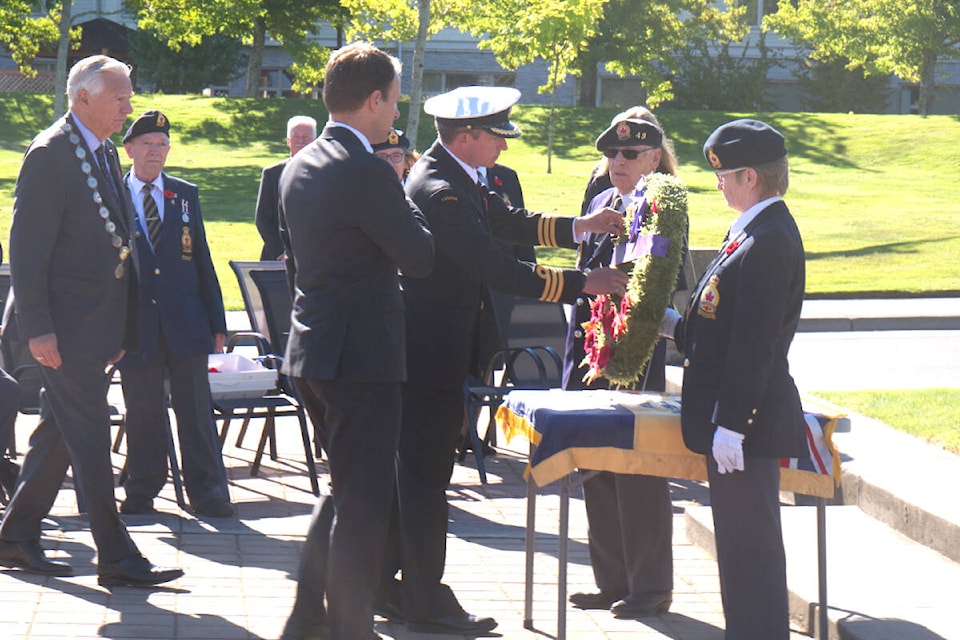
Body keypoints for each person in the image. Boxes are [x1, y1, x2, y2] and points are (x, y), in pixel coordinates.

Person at [389, 85, 629, 635]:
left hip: (443, 349)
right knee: (425, 479)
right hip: (429, 354)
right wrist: (579, 282)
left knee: (420, 475)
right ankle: (423, 597)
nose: (503, 146)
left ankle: (392, 582)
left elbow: (509, 220)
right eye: (497, 137)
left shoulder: (458, 175)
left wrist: (580, 227)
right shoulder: (439, 187)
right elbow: (493, 264)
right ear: (467, 136)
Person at [0, 54, 183, 587]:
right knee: (90, 431)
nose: (129, 107)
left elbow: (116, 242)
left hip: (92, 326)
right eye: (120, 98)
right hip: (60, 328)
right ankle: (115, 553)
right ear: (83, 97)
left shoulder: (97, 148)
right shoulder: (52, 152)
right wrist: (38, 327)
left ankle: (15, 534)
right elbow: (27, 250)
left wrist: (120, 329)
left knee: (61, 431)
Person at [277, 42, 434, 640]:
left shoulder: (302, 161)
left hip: (314, 348)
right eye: (394, 103)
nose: (396, 116)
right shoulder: (367, 167)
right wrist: (399, 187)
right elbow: (418, 257)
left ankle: (305, 622)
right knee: (365, 503)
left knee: (346, 490)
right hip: (362, 355)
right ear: (373, 100)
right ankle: (348, 628)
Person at [660, 119, 808, 639]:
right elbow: (724, 327)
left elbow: (756, 344)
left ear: (752, 177)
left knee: (752, 552)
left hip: (747, 420)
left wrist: (732, 424)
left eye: (724, 174)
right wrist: (677, 328)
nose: (718, 182)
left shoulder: (768, 238)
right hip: (734, 415)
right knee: (740, 550)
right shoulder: (749, 229)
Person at [563, 110, 679, 618]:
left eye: (630, 153)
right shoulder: (601, 203)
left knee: (638, 472)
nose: (618, 161)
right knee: (596, 468)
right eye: (611, 153)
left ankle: (650, 586)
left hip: (636, 358)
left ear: (654, 158)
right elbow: (582, 280)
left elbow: (658, 286)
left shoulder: (662, 208)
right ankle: (612, 581)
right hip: (589, 356)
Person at [117, 109, 233, 518]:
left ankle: (208, 491)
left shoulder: (184, 194)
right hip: (135, 326)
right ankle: (142, 489)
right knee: (143, 410)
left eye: (163, 146)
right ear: (129, 149)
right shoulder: (112, 193)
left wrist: (217, 322)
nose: (156, 152)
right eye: (148, 144)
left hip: (186, 322)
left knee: (196, 410)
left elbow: (201, 257)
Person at [255, 115, 317, 260]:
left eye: (306, 137)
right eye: (296, 137)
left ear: (315, 141)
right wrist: (280, 252)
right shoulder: (272, 174)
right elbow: (263, 219)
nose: (301, 141)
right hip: (278, 257)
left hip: (315, 258)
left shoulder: (326, 173)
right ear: (288, 141)